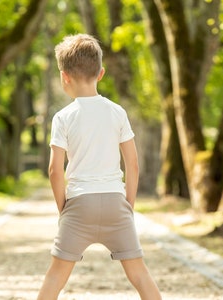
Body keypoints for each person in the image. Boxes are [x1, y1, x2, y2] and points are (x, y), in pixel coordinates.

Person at [37, 33, 162, 300]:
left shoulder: (63, 118)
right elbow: (133, 164)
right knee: (139, 275)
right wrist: (127, 205)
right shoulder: (117, 112)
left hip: (79, 205)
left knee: (56, 276)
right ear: (101, 73)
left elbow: (55, 170)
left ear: (64, 76)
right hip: (116, 203)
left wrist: (63, 209)